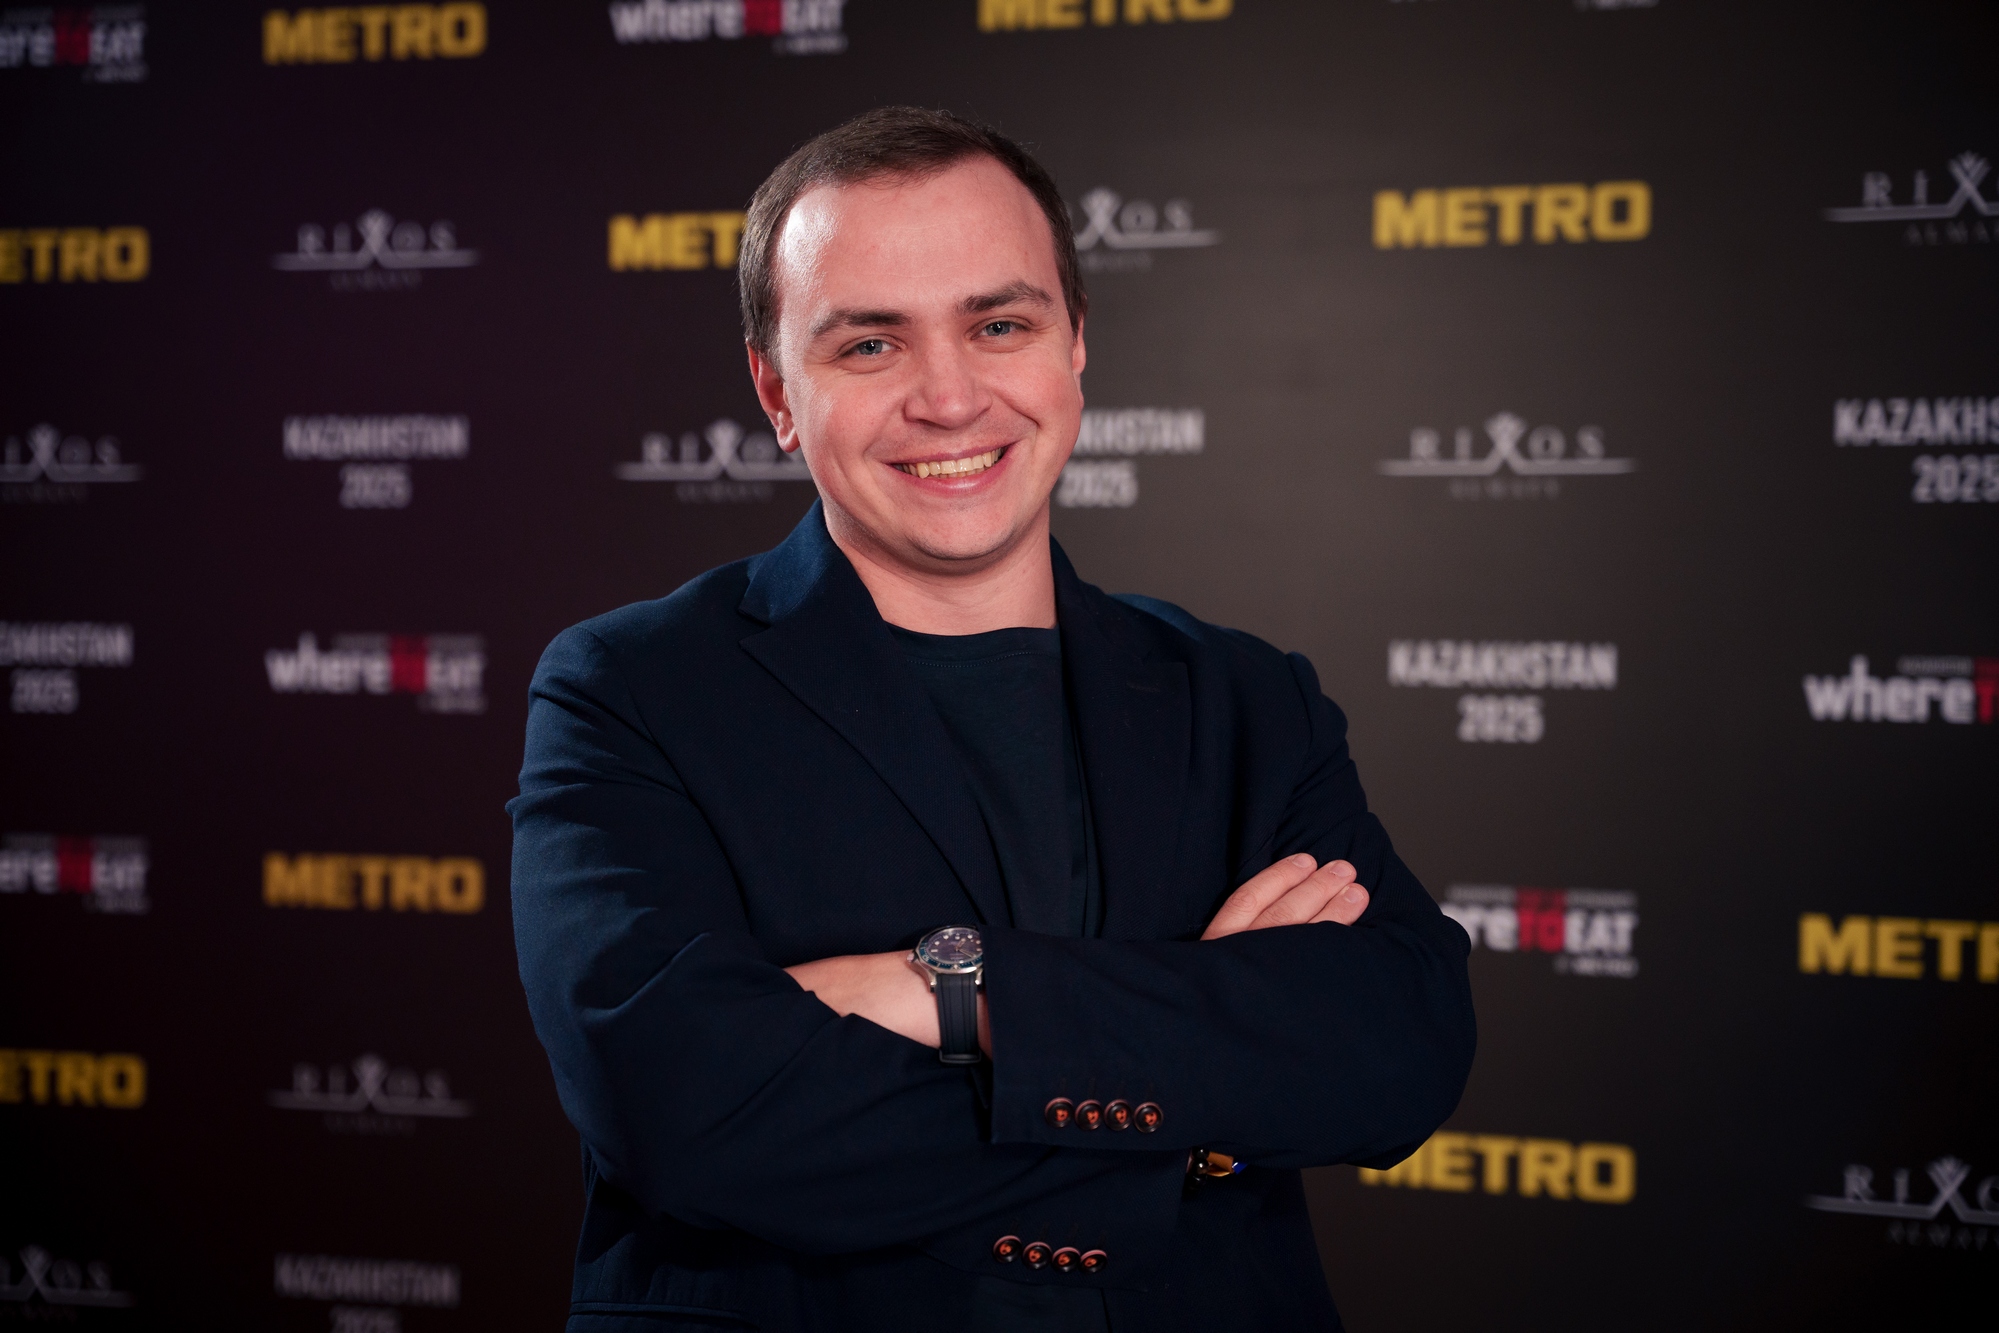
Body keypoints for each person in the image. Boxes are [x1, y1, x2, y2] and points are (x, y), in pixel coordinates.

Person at [509, 106, 1474, 1333]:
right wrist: (1200, 1108)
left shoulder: (1243, 696)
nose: (949, 397)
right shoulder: (629, 690)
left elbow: (1401, 1046)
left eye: (999, 325)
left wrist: (952, 991)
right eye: (871, 344)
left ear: (1076, 344)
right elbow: (689, 1114)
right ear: (777, 393)